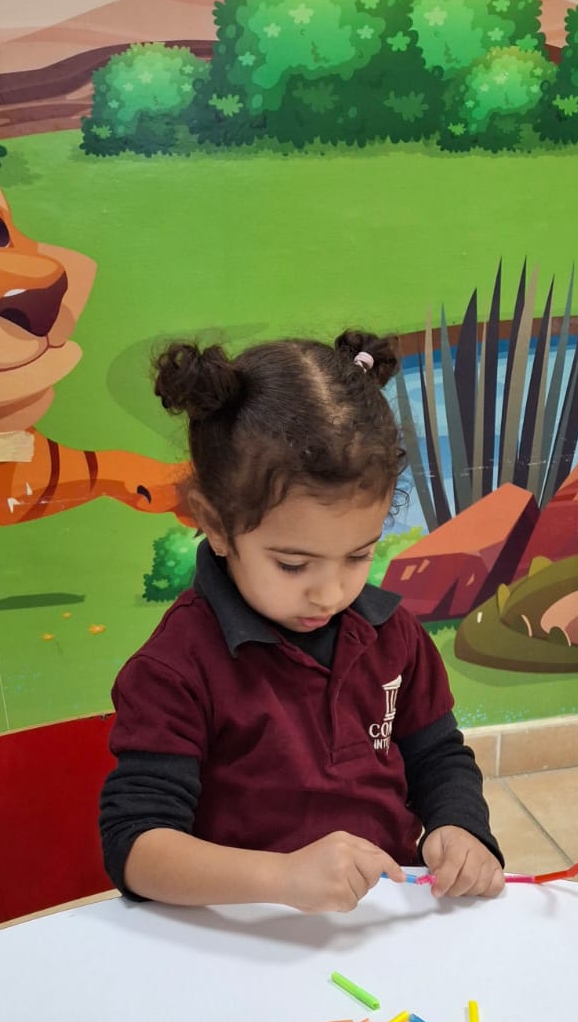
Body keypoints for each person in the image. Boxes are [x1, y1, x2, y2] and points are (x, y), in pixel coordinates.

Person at [99, 329, 504, 915]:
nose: (331, 593)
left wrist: (459, 826)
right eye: (293, 564)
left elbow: (438, 756)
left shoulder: (394, 636)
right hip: (245, 930)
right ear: (215, 524)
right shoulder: (175, 669)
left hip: (379, 923)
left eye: (359, 555)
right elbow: (135, 848)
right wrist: (281, 877)